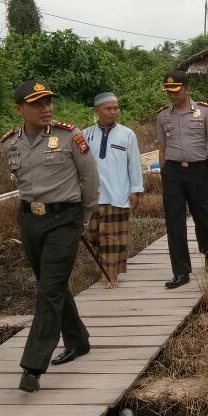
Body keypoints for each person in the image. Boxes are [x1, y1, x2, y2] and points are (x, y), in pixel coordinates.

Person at [0, 80, 99, 393]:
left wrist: (84, 218)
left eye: (49, 102)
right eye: (37, 104)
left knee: (49, 289)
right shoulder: (9, 143)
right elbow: (19, 181)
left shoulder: (70, 136)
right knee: (51, 284)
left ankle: (33, 365)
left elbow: (90, 179)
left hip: (65, 218)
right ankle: (77, 339)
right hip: (30, 219)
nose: (46, 108)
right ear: (20, 109)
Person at [156, 71, 208, 289]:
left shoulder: (204, 111)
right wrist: (164, 172)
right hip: (173, 172)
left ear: (187, 89)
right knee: (174, 221)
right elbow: (162, 148)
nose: (172, 96)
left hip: (198, 170)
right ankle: (181, 272)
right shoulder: (163, 116)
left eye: (176, 91)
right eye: (168, 92)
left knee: (201, 215)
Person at [82, 92, 144, 289]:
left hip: (118, 195)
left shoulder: (127, 135)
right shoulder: (85, 135)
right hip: (92, 196)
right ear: (96, 111)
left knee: (113, 239)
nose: (113, 112)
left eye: (115, 108)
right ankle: (106, 269)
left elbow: (134, 164)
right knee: (93, 235)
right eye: (108, 109)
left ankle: (111, 276)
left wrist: (136, 190)